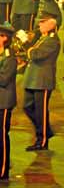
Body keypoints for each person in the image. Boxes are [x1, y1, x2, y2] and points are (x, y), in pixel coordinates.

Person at [23, 12, 60, 151]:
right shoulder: (43, 38)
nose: (39, 25)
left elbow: (36, 55)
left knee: (41, 112)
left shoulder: (52, 41)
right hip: (32, 78)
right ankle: (46, 130)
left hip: (43, 80)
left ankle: (42, 140)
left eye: (42, 22)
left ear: (51, 24)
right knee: (27, 107)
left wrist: (26, 43)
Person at [0, 24, 17, 181]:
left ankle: (3, 170)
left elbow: (4, 79)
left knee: (2, 137)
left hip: (3, 102)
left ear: (4, 38)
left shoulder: (9, 57)